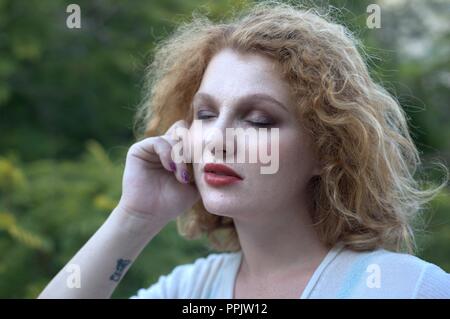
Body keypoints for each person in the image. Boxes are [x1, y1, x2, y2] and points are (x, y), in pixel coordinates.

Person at [39, 1, 450, 299]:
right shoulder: (189, 291)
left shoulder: (407, 288)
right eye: (204, 114)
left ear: (328, 149)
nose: (218, 138)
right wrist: (135, 217)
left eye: (258, 120)